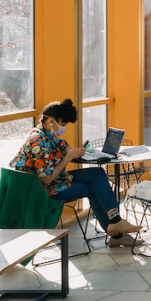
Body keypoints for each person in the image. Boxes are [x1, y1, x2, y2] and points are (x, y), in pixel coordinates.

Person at [10, 99, 142, 247]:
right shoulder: (38, 142)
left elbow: (60, 145)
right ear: (51, 122)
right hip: (44, 190)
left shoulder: (45, 134)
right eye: (63, 125)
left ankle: (115, 224)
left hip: (56, 180)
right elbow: (46, 179)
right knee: (94, 188)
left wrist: (71, 152)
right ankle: (116, 230)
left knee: (97, 173)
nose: (62, 129)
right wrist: (69, 157)